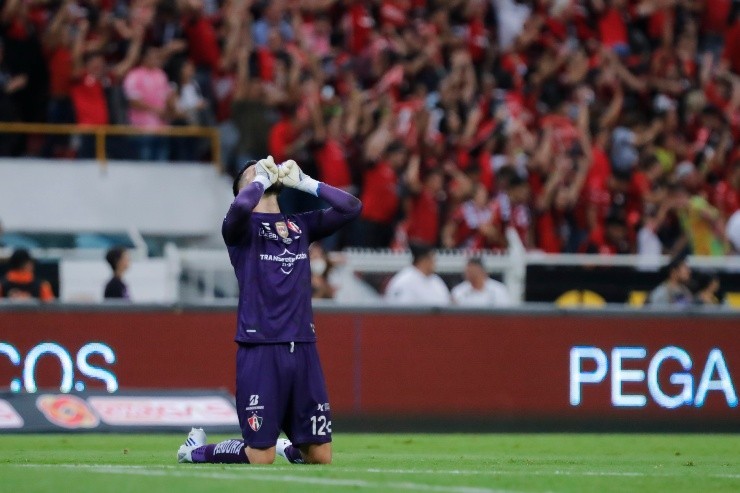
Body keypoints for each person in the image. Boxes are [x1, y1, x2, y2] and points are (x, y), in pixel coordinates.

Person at [177, 156, 361, 465]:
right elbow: (238, 208)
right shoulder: (240, 228)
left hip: (303, 346)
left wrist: (307, 184)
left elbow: (351, 208)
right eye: (252, 171)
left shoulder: (300, 225)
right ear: (243, 190)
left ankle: (289, 447)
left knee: (321, 456)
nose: (264, 167)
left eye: (264, 167)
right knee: (259, 457)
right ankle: (195, 451)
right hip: (261, 345)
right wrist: (259, 180)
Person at [384, 243, 451, 305]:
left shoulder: (436, 280)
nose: (435, 262)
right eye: (432, 259)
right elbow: (400, 310)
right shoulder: (404, 281)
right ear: (423, 260)